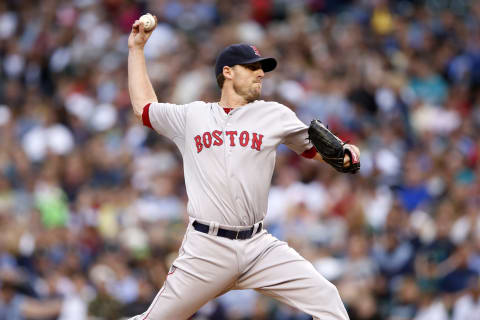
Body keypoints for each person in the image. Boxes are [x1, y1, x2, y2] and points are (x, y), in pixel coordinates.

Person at [127, 15, 358, 320]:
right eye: (252, 67)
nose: (261, 73)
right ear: (228, 72)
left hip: (258, 246)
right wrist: (137, 49)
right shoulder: (193, 116)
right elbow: (144, 108)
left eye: (262, 68)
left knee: (328, 301)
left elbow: (323, 151)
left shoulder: (274, 115)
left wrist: (346, 153)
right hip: (206, 249)